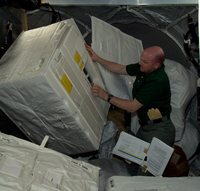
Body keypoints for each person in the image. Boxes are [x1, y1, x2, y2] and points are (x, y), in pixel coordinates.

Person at [85, 44, 175, 147]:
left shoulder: (157, 81)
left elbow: (132, 107)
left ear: (156, 65)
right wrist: (97, 58)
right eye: (141, 59)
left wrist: (106, 96)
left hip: (159, 130)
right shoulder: (145, 68)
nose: (140, 63)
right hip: (146, 126)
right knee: (134, 157)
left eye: (145, 62)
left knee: (142, 161)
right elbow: (121, 69)